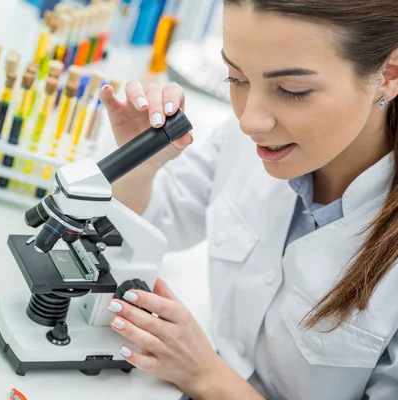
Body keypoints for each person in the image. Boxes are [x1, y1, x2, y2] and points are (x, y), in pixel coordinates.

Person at [97, 0, 398, 399]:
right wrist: (140, 162)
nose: (249, 120)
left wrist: (207, 376)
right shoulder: (257, 141)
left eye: (292, 90)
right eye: (236, 79)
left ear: (389, 75)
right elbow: (157, 222)